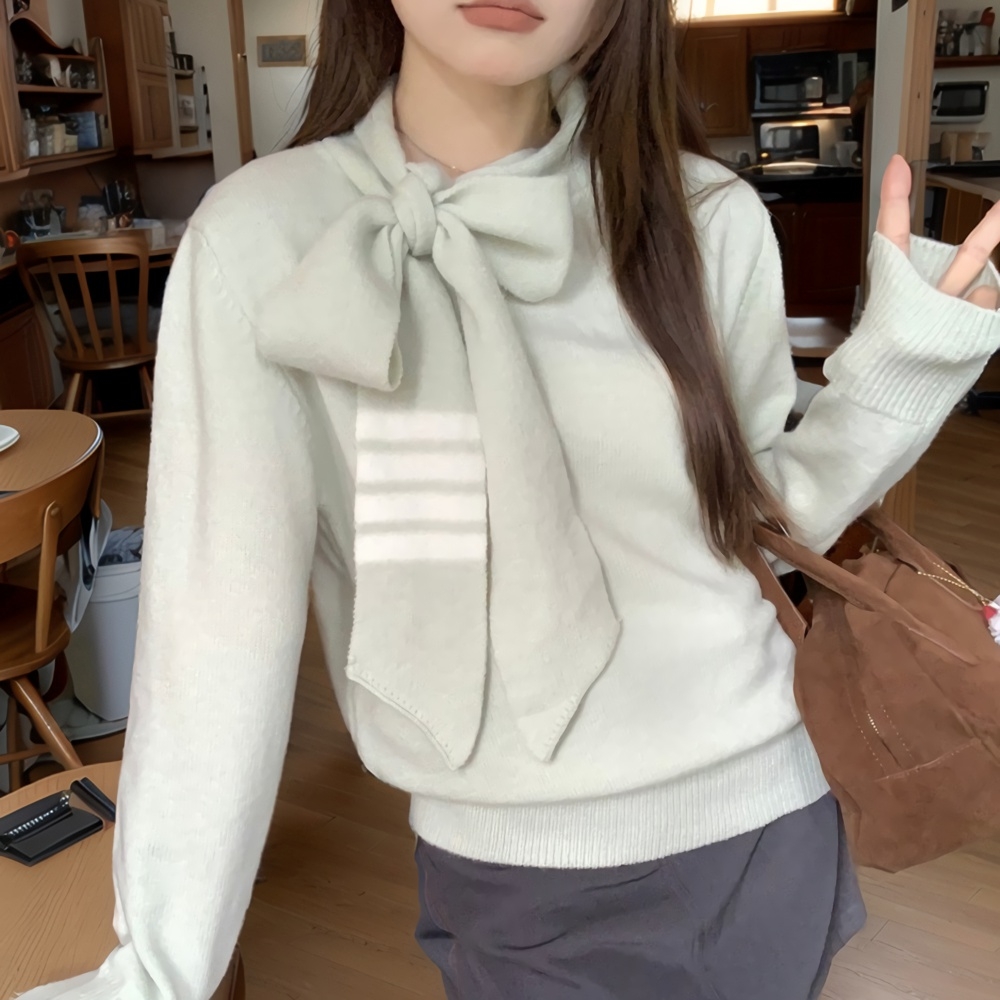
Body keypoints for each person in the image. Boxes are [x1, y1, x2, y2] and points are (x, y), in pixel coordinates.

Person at [21, 2, 1000, 998]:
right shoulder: (262, 239)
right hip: (514, 876)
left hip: (770, 825)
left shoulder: (708, 215)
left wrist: (896, 376)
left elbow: (758, 528)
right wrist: (158, 969)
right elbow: (216, 631)